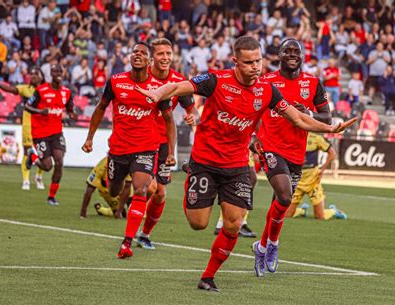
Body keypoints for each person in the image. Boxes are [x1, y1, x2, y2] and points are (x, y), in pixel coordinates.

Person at [136, 36, 356, 292]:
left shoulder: (267, 90)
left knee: (234, 222)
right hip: (206, 161)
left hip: (237, 164)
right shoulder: (215, 80)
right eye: (249, 62)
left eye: (259, 61)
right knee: (198, 223)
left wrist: (331, 127)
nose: (256, 67)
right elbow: (177, 87)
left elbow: (298, 119)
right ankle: (192, 172)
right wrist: (156, 92)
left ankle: (208, 276)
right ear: (235, 62)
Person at [81, 42, 177, 259]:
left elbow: (169, 120)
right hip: (118, 149)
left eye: (143, 53)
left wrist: (170, 152)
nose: (138, 55)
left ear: (149, 61)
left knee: (141, 189)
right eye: (134, 52)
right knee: (114, 190)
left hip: (146, 148)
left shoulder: (158, 88)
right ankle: (114, 200)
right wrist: (89, 138)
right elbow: (100, 108)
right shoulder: (116, 82)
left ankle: (127, 243)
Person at [252, 39, 332, 278]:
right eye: (287, 50)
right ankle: (274, 246)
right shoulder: (265, 81)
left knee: (281, 201)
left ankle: (263, 246)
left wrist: (307, 113)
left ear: (303, 56)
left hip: (297, 151)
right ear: (279, 55)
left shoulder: (313, 83)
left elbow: (326, 118)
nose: (292, 54)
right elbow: (252, 109)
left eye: (296, 51)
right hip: (270, 147)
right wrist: (252, 136)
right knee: (285, 195)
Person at [136, 38, 196, 250]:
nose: (165, 58)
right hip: (141, 140)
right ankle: (133, 218)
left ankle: (143, 234)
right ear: (152, 57)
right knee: (149, 187)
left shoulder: (179, 81)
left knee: (160, 194)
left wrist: (192, 116)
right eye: (160, 54)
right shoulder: (141, 76)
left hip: (164, 142)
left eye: (168, 54)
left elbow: (191, 108)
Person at [25, 65, 76, 205]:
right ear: (51, 74)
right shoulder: (41, 90)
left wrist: (72, 113)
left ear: (63, 73)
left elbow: (70, 107)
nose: (58, 73)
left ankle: (51, 197)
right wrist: (40, 112)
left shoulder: (67, 92)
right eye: (55, 71)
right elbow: (27, 107)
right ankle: (33, 157)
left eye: (60, 71)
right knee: (48, 166)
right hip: (40, 133)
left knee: (59, 162)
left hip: (56, 132)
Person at [0, 66, 45, 191]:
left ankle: (38, 177)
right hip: (28, 125)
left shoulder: (45, 91)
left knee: (43, 153)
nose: (33, 76)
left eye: (36, 74)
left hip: (42, 126)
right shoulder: (25, 89)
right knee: (27, 152)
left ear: (41, 77)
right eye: (31, 74)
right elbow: (11, 89)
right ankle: (26, 180)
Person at [286, 132, 347, 220]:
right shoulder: (292, 136)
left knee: (320, 216)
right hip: (297, 181)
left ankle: (334, 211)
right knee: (287, 215)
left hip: (313, 181)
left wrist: (322, 170)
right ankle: (302, 211)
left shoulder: (315, 138)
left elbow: (332, 153)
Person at [213, 150, 257, 238]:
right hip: (237, 147)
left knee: (250, 180)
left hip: (244, 146)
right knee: (249, 179)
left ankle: (223, 223)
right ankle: (237, 222)